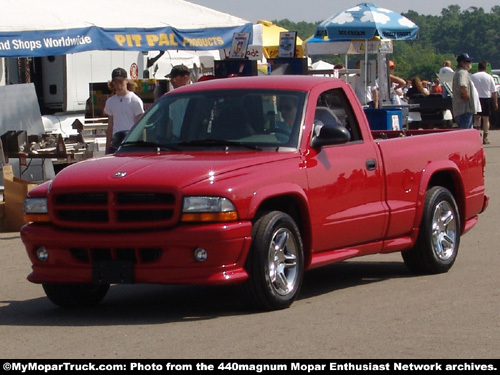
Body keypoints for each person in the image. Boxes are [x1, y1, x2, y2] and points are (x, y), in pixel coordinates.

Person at [104, 67, 144, 153]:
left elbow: (140, 127)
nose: (118, 86)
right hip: (115, 144)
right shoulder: (110, 102)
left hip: (130, 144)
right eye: (115, 82)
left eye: (121, 82)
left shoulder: (135, 100)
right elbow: (110, 127)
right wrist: (107, 148)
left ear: (126, 81)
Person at [471, 61, 499, 144]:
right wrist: (495, 102)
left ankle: (477, 135)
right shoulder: (489, 77)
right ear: (485, 68)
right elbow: (494, 91)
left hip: (476, 98)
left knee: (477, 117)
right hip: (486, 98)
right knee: (486, 119)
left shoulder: (473, 76)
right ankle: (485, 137)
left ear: (478, 67)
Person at [452, 53, 477, 129]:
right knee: (465, 133)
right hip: (464, 110)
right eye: (468, 61)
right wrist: (466, 95)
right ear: (462, 63)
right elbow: (462, 85)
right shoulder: (463, 72)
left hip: (460, 110)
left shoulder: (458, 72)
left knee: (468, 133)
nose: (470, 63)